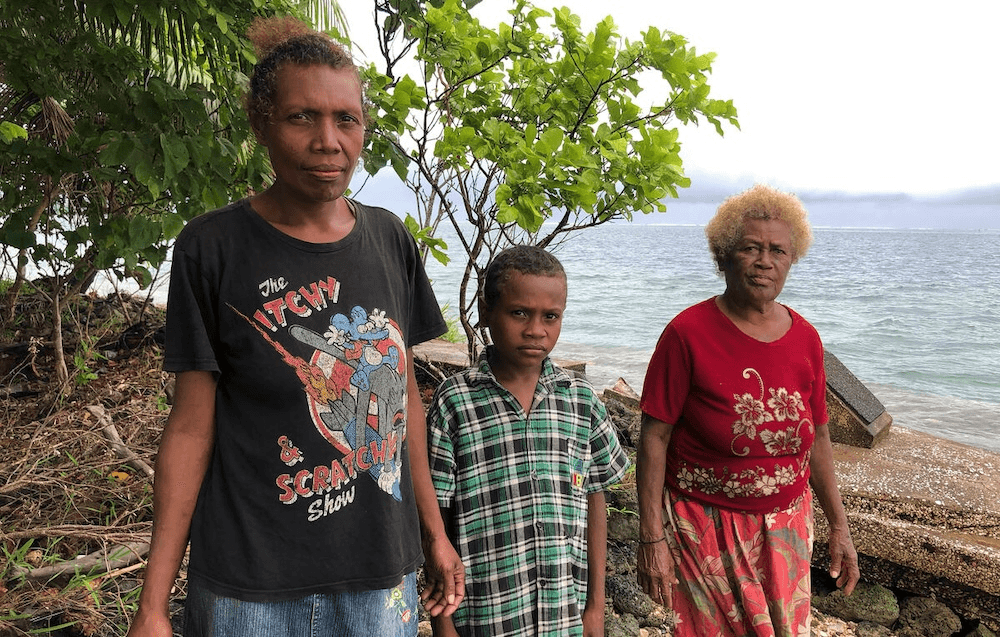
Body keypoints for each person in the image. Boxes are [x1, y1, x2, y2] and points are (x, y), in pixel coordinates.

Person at [126, 17, 463, 637]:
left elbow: (404, 401)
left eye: (347, 119)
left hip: (379, 580)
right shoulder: (212, 248)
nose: (328, 141)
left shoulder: (388, 239)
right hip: (247, 588)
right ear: (261, 125)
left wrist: (434, 533)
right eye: (301, 117)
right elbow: (191, 427)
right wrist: (153, 604)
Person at [636, 184, 860, 636]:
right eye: (750, 248)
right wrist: (651, 535)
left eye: (778, 250)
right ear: (724, 256)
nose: (765, 260)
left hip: (788, 532)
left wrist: (841, 526)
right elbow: (653, 438)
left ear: (791, 259)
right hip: (704, 529)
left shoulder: (807, 339)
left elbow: (817, 439)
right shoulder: (686, 334)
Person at [425, 245, 631, 637]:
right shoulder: (455, 401)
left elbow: (595, 502)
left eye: (550, 317)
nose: (536, 330)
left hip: (563, 615)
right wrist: (443, 622)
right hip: (486, 614)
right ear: (486, 312)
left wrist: (595, 609)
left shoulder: (580, 399)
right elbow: (438, 516)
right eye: (519, 312)